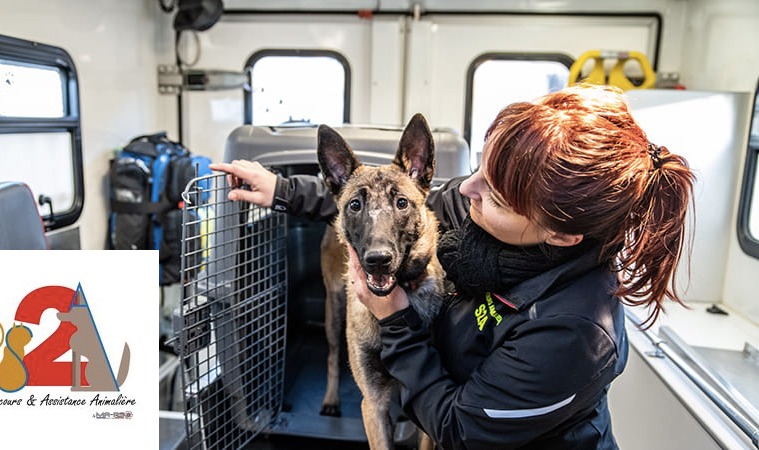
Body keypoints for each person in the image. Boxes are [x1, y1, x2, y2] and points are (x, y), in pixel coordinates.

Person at [210, 83, 695, 449]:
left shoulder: (574, 332)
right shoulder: (487, 214)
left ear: (561, 234)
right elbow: (390, 200)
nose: (468, 189)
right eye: (482, 167)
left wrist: (394, 320)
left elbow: (460, 430)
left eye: (495, 192)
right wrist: (284, 191)